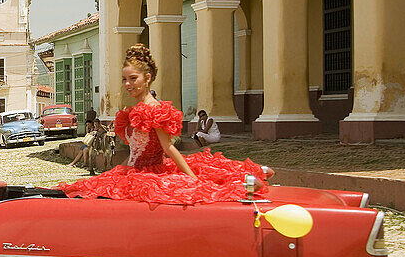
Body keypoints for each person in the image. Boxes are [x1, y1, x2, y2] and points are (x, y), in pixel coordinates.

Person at [59, 44, 273, 205]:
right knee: (91, 188)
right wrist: (120, 170)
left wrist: (192, 178)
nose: (127, 84)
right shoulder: (131, 112)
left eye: (133, 78)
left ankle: (245, 178)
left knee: (203, 181)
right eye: (124, 79)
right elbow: (135, 151)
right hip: (134, 172)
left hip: (151, 174)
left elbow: (168, 147)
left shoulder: (154, 109)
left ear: (148, 78)